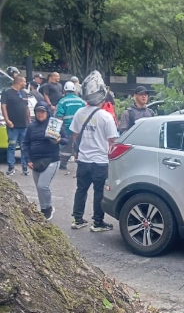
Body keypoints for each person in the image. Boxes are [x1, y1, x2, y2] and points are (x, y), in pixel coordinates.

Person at [69, 74, 119, 232]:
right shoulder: (106, 117)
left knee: (81, 189)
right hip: (100, 161)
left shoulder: (79, 113)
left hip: (83, 160)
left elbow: (75, 135)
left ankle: (77, 220)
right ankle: (97, 222)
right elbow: (112, 140)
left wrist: (76, 151)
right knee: (99, 192)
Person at [24, 102, 62, 220]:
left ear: (47, 112)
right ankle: (43, 208)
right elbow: (25, 143)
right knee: (38, 187)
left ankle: (48, 208)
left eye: (42, 112)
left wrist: (59, 139)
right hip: (36, 161)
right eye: (38, 112)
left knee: (42, 186)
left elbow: (65, 140)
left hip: (51, 160)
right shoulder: (31, 126)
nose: (40, 114)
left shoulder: (54, 124)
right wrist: (28, 159)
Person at [2, 73, 32, 176]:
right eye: (24, 81)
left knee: (24, 146)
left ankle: (25, 167)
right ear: (19, 82)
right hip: (13, 125)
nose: (25, 83)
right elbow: (3, 107)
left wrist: (29, 120)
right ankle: (11, 167)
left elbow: (27, 108)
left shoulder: (24, 93)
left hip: (24, 124)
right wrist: (7, 120)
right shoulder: (7, 92)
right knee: (12, 146)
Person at [54, 87, 86, 172]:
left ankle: (63, 164)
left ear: (64, 91)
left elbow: (59, 116)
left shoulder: (62, 101)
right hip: (80, 128)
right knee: (79, 145)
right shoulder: (81, 101)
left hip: (67, 127)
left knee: (66, 147)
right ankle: (81, 163)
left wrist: (57, 129)